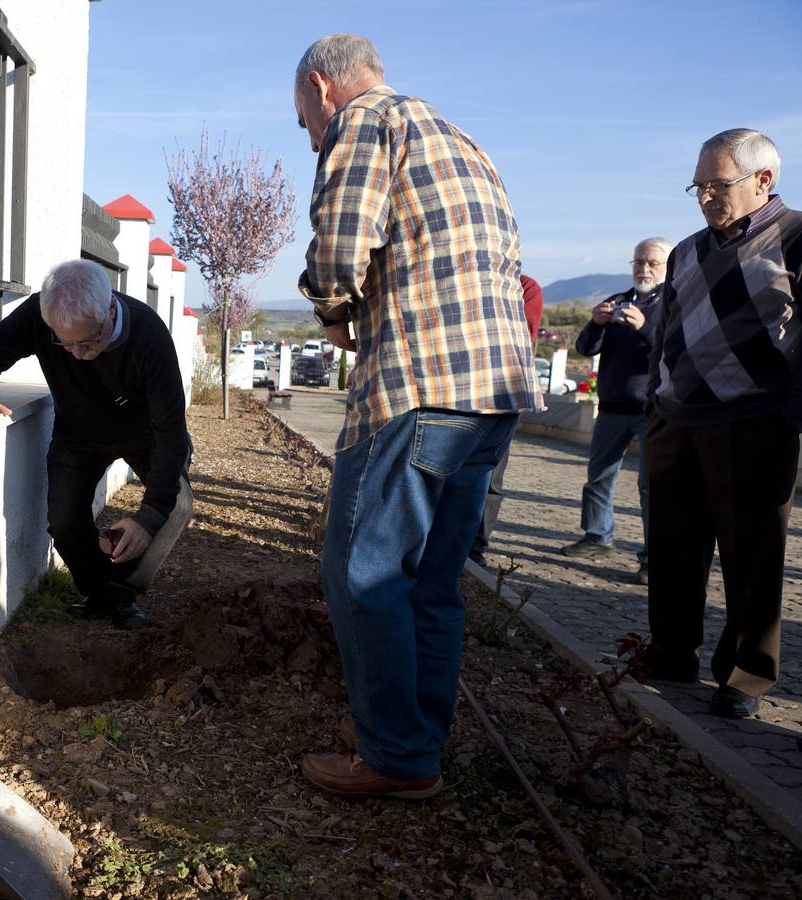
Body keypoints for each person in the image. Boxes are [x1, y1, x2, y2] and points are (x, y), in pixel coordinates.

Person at [292, 34, 541, 799]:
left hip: (419, 388)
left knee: (363, 573)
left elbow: (340, 247)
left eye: (303, 120)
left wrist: (332, 308)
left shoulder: (364, 122)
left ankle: (395, 757)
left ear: (320, 87)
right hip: (491, 395)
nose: (309, 134)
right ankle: (417, 745)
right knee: (432, 583)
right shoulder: (460, 140)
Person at [642, 129, 801, 719]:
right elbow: (666, 331)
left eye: (719, 183)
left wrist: (789, 410)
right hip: (676, 418)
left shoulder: (796, 236)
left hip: (753, 420)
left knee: (751, 555)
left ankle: (745, 676)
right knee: (672, 546)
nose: (707, 195)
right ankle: (670, 651)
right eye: (699, 185)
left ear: (764, 180)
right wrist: (655, 405)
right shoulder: (685, 250)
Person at [0, 260, 193, 630]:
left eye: (88, 341)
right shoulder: (40, 314)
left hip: (146, 433)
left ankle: (121, 592)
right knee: (64, 523)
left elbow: (172, 433)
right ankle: (98, 594)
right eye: (64, 344)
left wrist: (146, 519)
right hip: (79, 432)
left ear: (110, 309)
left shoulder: (149, 336)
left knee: (174, 505)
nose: (77, 354)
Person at [556, 238, 671, 585]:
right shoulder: (618, 301)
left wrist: (644, 327)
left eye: (652, 263)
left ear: (667, 267)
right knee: (599, 478)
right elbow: (585, 347)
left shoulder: (673, 303)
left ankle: (655, 559)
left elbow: (672, 350)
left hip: (651, 408)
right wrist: (595, 323)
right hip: (610, 406)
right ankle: (597, 538)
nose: (644, 269)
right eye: (638, 262)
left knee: (651, 486)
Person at [470, 273, 544, 566]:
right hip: (455, 390)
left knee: (490, 477)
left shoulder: (525, 287)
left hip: (499, 396)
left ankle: (475, 547)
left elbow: (520, 335)